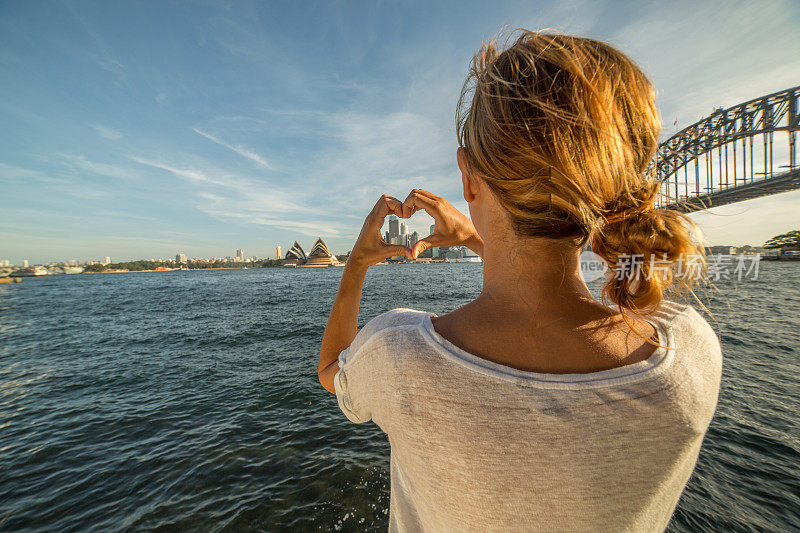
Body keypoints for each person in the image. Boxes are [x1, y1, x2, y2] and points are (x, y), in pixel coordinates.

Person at [317, 30, 721, 532]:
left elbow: (332, 367)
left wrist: (356, 263)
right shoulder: (689, 355)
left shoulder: (399, 355)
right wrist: (473, 238)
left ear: (468, 178)